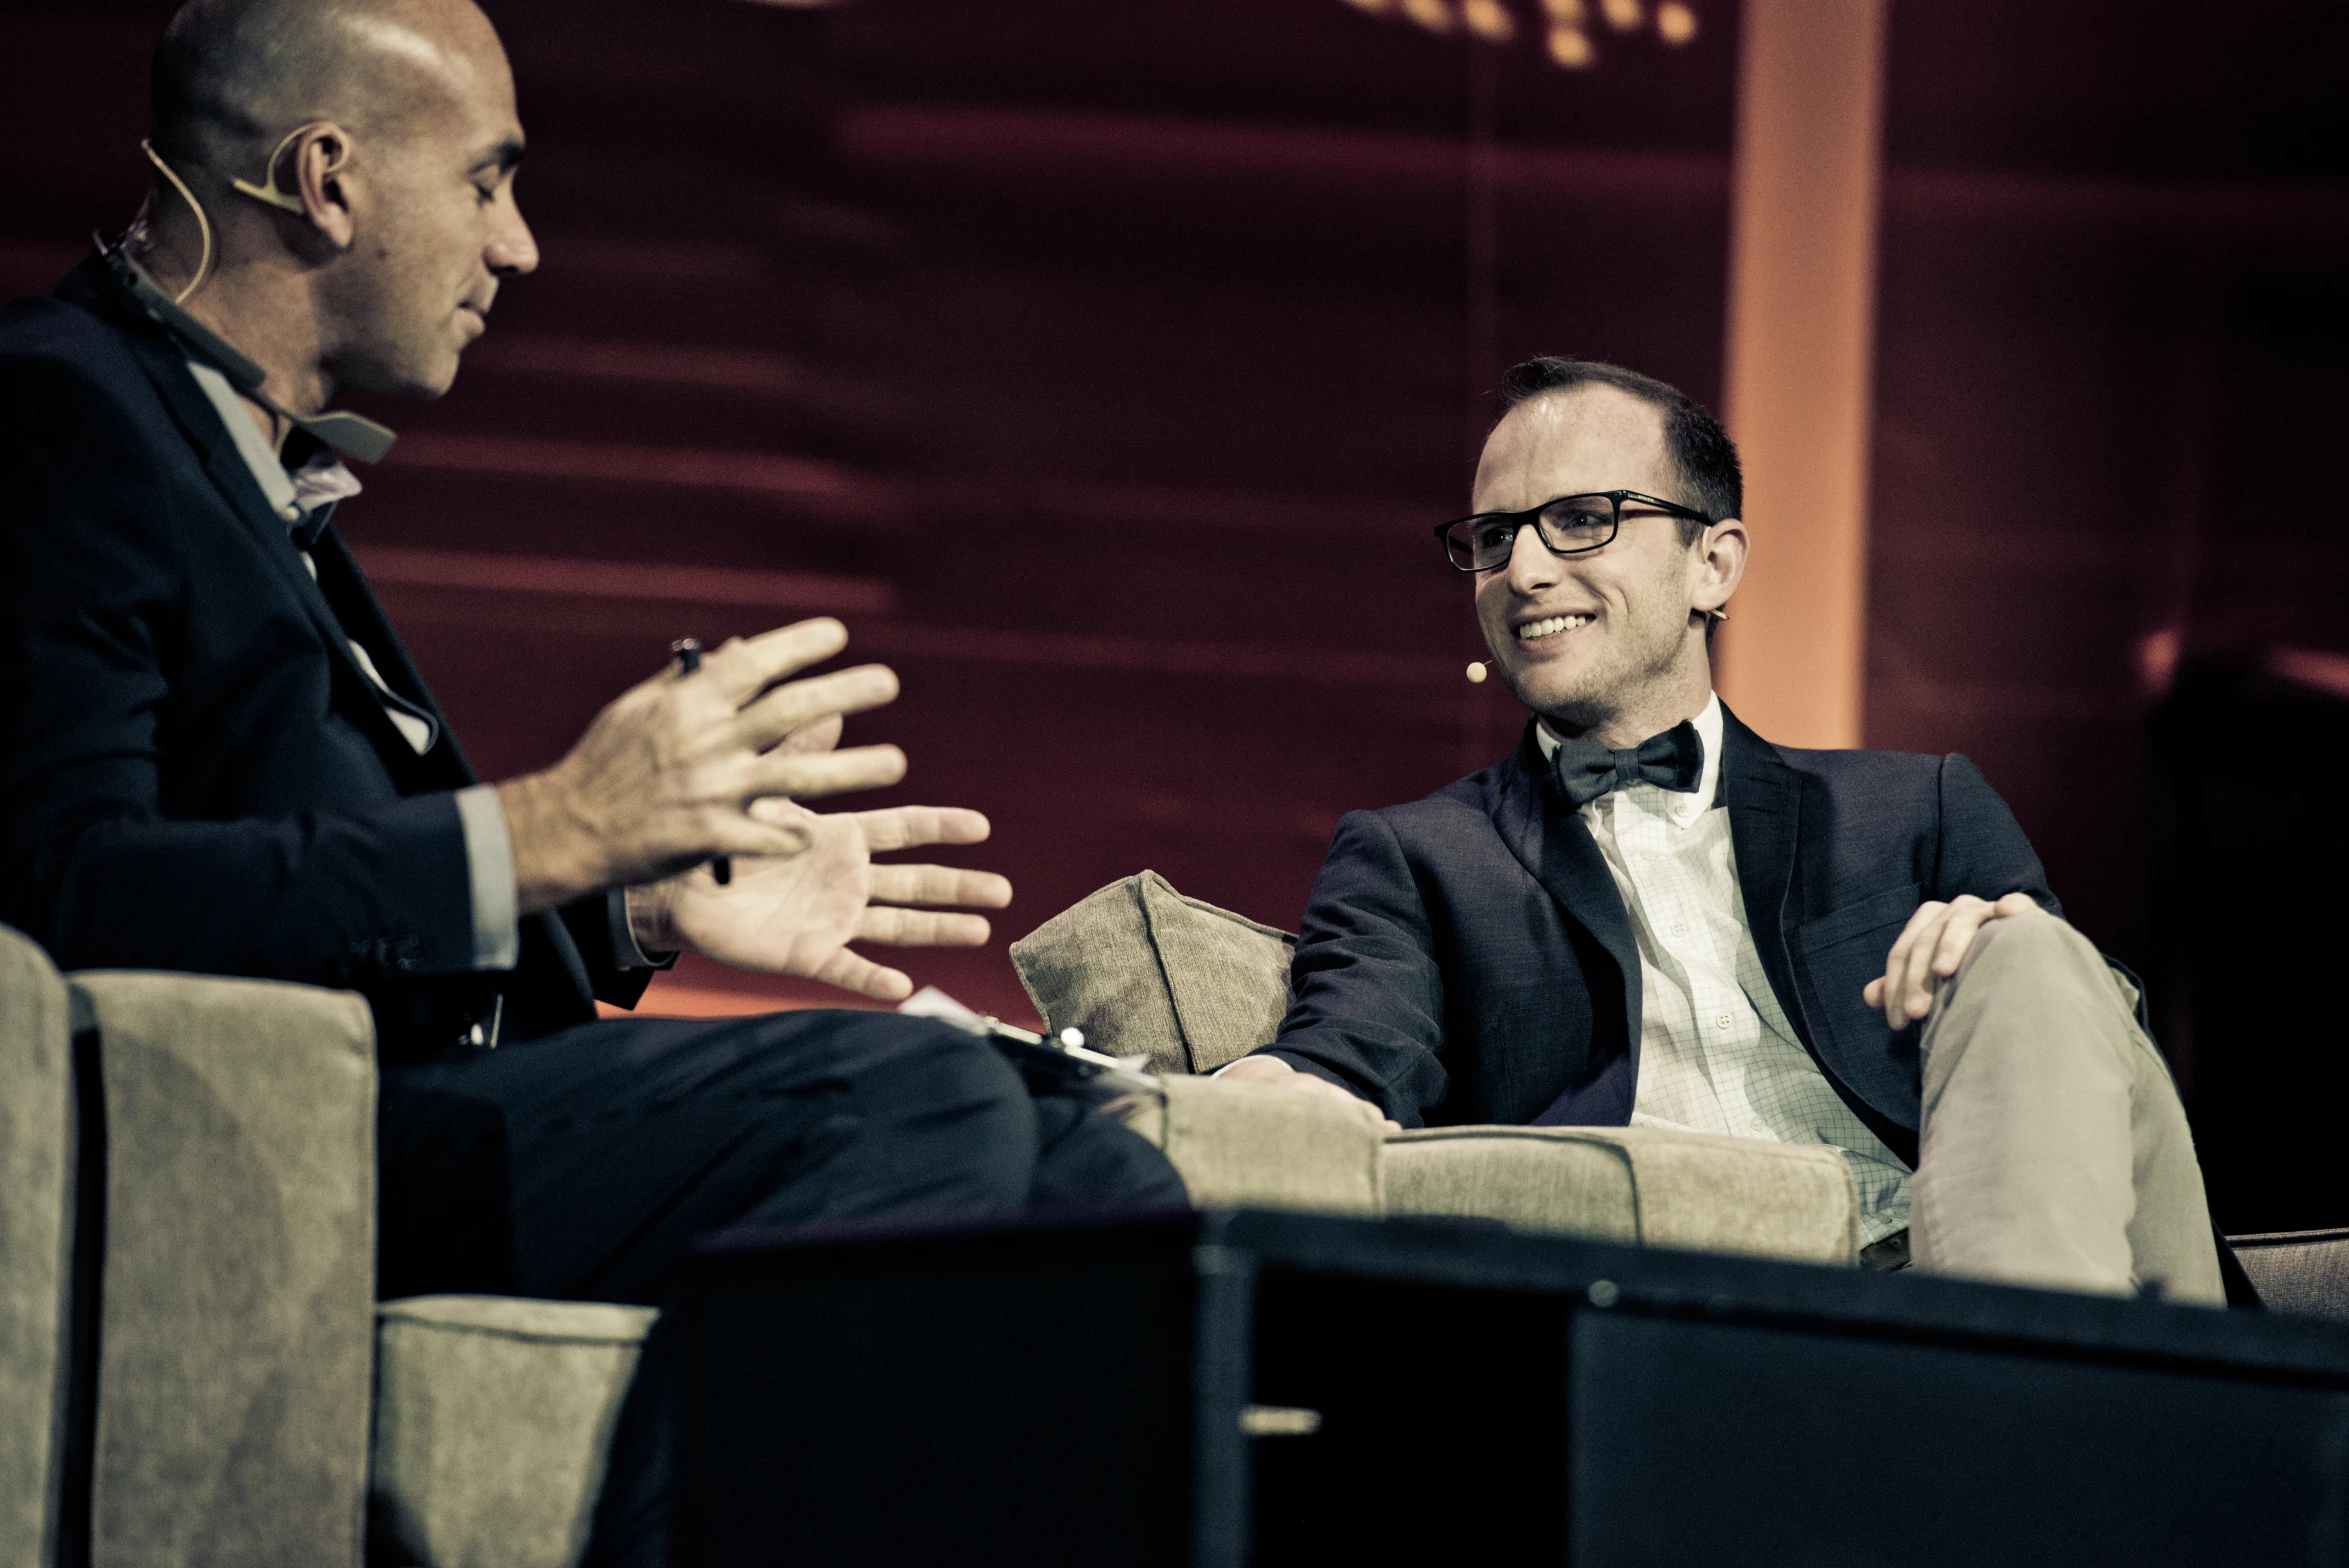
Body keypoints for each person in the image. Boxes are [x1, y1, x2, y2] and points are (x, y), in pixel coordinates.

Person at [0, 0, 1184, 1560]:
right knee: (908, 1100)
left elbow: (308, 857)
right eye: (488, 181)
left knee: (1098, 1167)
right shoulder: (62, 411)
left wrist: (625, 907)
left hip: (397, 1104)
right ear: (327, 177)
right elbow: (65, 887)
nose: (522, 248)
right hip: (242, 1131)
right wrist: (548, 827)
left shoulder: (233, 453)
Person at [1221, 355, 2241, 1307]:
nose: (1523, 568)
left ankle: (2009, 1388)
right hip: (1686, 1308)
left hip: (1966, 1253)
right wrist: (1239, 1097)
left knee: (2024, 951)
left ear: (1714, 562)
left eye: (1580, 518)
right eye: (1493, 536)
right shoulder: (1418, 857)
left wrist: (2004, 941)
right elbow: (1346, 1059)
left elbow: (2101, 1065)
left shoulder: (1917, 804)